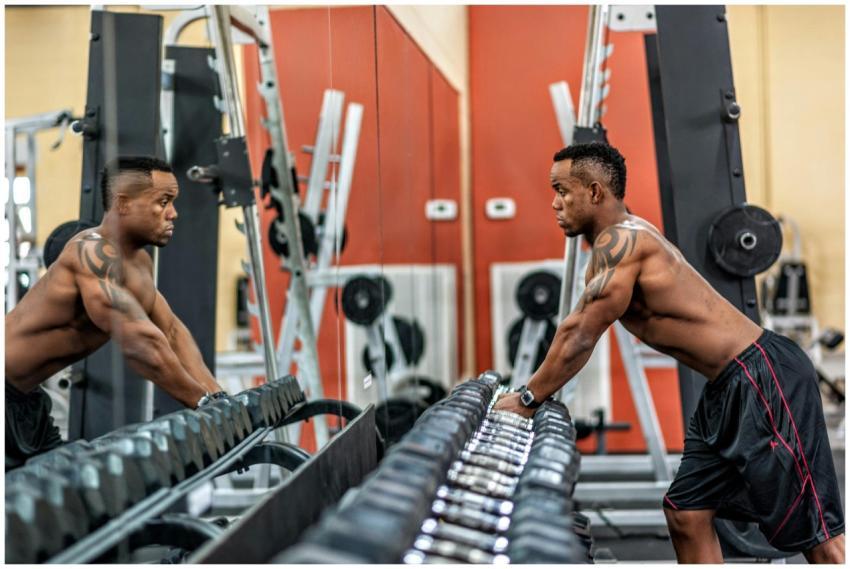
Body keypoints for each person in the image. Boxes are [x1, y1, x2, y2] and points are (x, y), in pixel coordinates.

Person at [493, 142, 844, 563]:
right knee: (687, 512)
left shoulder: (623, 242)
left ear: (594, 192)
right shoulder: (618, 242)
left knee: (819, 534)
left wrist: (528, 399)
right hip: (726, 388)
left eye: (562, 190)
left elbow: (580, 333)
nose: (555, 203)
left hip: (763, 377)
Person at [5, 156, 226, 470]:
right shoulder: (90, 252)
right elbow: (140, 343)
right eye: (163, 202)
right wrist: (201, 403)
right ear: (123, 204)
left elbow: (171, 332)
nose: (173, 213)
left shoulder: (139, 265)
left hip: (26, 401)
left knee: (71, 497)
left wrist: (219, 398)